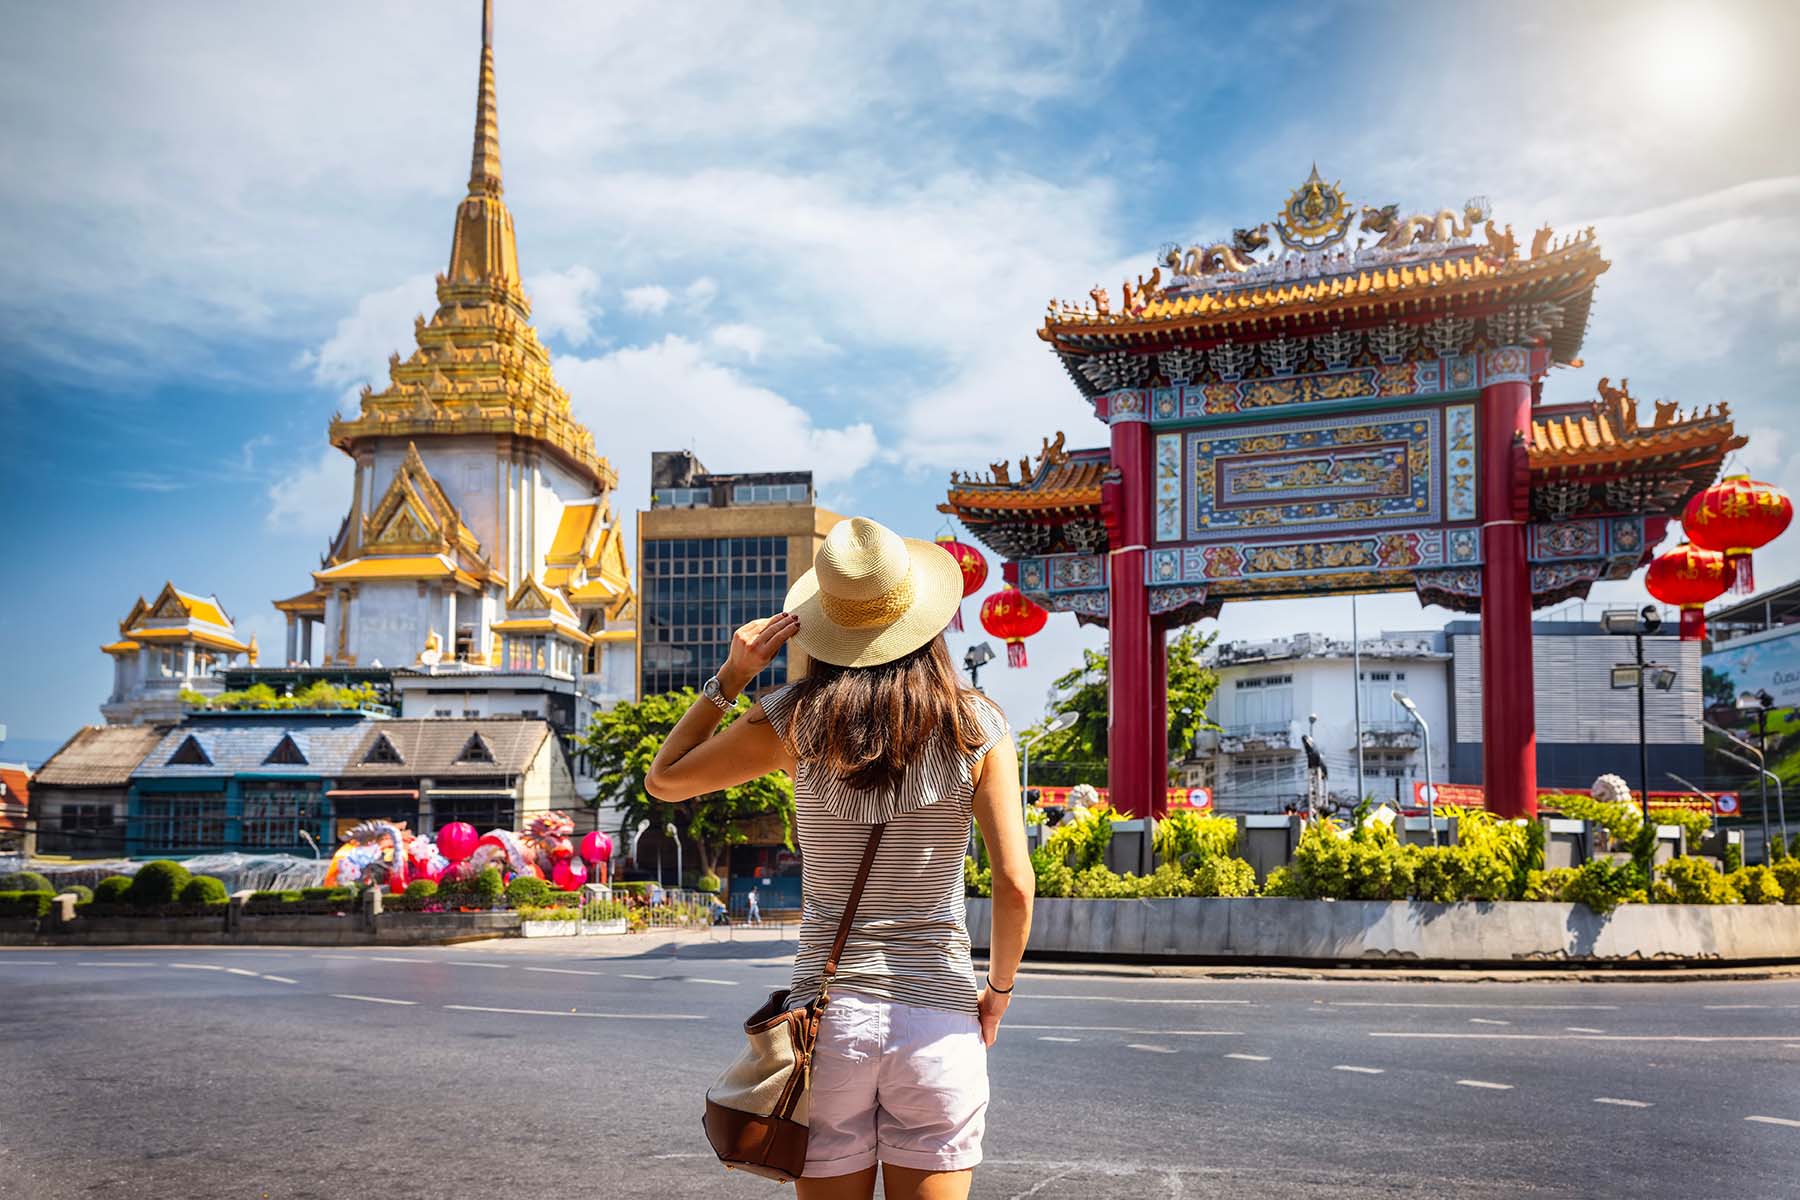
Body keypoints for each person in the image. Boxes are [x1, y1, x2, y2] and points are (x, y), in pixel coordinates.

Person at [646, 516, 1034, 1200]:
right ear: (923, 619)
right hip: (939, 1018)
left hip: (830, 1026)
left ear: (825, 625)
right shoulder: (979, 725)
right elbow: (1014, 884)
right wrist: (996, 996)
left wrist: (731, 677)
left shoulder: (794, 718)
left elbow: (665, 779)